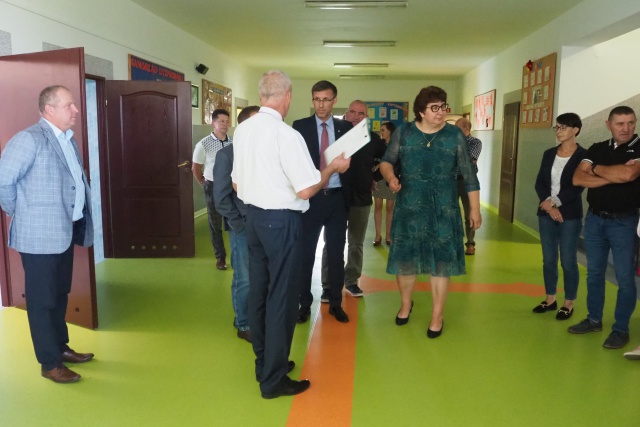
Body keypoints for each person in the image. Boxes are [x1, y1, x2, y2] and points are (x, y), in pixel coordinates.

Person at [232, 70, 350, 399]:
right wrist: (332, 168)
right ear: (287, 96)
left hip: (254, 220)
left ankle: (265, 364)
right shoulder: (286, 135)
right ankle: (274, 379)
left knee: (260, 293)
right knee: (282, 299)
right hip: (281, 222)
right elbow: (307, 189)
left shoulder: (243, 129)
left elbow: (237, 183)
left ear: (262, 96)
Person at [0, 85, 94, 383]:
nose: (75, 110)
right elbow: (3, 181)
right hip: (38, 236)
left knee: (59, 294)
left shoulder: (68, 139)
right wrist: (22, 212)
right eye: (69, 105)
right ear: (49, 109)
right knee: (42, 301)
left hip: (65, 232)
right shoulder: (29, 139)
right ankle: (49, 363)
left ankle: (61, 347)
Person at [379, 86, 481, 338]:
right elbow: (386, 162)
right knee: (405, 262)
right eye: (434, 108)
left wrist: (475, 209)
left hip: (443, 209)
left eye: (443, 106)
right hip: (409, 207)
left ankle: (437, 315)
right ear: (421, 112)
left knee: (441, 265)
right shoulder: (404, 132)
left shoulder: (454, 135)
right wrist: (390, 178)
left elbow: (469, 175)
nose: (441, 112)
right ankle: (406, 304)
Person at [568, 106, 640, 350]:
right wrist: (612, 175)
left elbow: (629, 175)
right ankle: (594, 320)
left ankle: (621, 330)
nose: (626, 128)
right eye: (620, 123)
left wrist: (596, 169)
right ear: (608, 124)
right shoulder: (597, 148)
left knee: (625, 278)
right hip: (595, 220)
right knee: (594, 273)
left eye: (631, 123)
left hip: (624, 222)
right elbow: (578, 178)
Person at [293, 80, 353, 324]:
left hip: (337, 198)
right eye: (317, 99)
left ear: (334, 101)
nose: (321, 104)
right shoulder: (300, 127)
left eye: (326, 99)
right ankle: (304, 303)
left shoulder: (345, 127)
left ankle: (336, 303)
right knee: (306, 253)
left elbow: (354, 163)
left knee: (336, 254)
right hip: (312, 198)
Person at [319, 100, 386, 299]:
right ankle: (328, 285)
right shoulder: (335, 136)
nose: (356, 117)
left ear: (367, 117)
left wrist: (375, 178)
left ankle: (352, 281)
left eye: (361, 113)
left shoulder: (373, 139)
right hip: (336, 198)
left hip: (361, 198)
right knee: (332, 243)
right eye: (353, 112)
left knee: (356, 244)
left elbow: (388, 160)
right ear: (346, 114)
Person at [212, 105, 260, 343]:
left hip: (266, 224)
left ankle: (253, 316)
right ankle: (243, 323)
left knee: (260, 275)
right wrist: (238, 224)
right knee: (245, 278)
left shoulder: (265, 151)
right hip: (242, 226)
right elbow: (221, 198)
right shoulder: (227, 155)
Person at [532, 113, 586, 320]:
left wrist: (555, 203)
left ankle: (569, 302)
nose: (559, 131)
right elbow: (540, 182)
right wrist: (548, 205)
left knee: (568, 260)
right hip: (546, 213)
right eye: (557, 127)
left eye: (564, 127)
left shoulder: (583, 156)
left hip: (569, 214)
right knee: (548, 259)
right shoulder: (549, 154)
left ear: (576, 130)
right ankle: (550, 298)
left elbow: (577, 186)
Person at [192, 109, 231, 270]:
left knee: (234, 221)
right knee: (215, 223)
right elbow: (196, 168)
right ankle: (220, 257)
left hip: (230, 186)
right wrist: (204, 183)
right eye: (221, 121)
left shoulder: (233, 142)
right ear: (213, 123)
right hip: (213, 186)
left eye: (227, 121)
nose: (225, 125)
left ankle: (237, 255)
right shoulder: (203, 144)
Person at [454, 118, 483, 255]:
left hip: (467, 182)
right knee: (451, 213)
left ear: (466, 128)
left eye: (457, 127)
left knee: (469, 213)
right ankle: (453, 241)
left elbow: (469, 161)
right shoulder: (452, 141)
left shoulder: (475, 142)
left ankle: (470, 243)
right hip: (451, 181)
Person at [372, 121, 396, 246]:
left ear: (389, 132)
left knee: (390, 208)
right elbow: (374, 159)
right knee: (378, 206)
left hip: (391, 179)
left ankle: (388, 236)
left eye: (383, 130)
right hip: (378, 178)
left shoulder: (396, 145)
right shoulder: (378, 144)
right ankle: (377, 236)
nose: (381, 132)